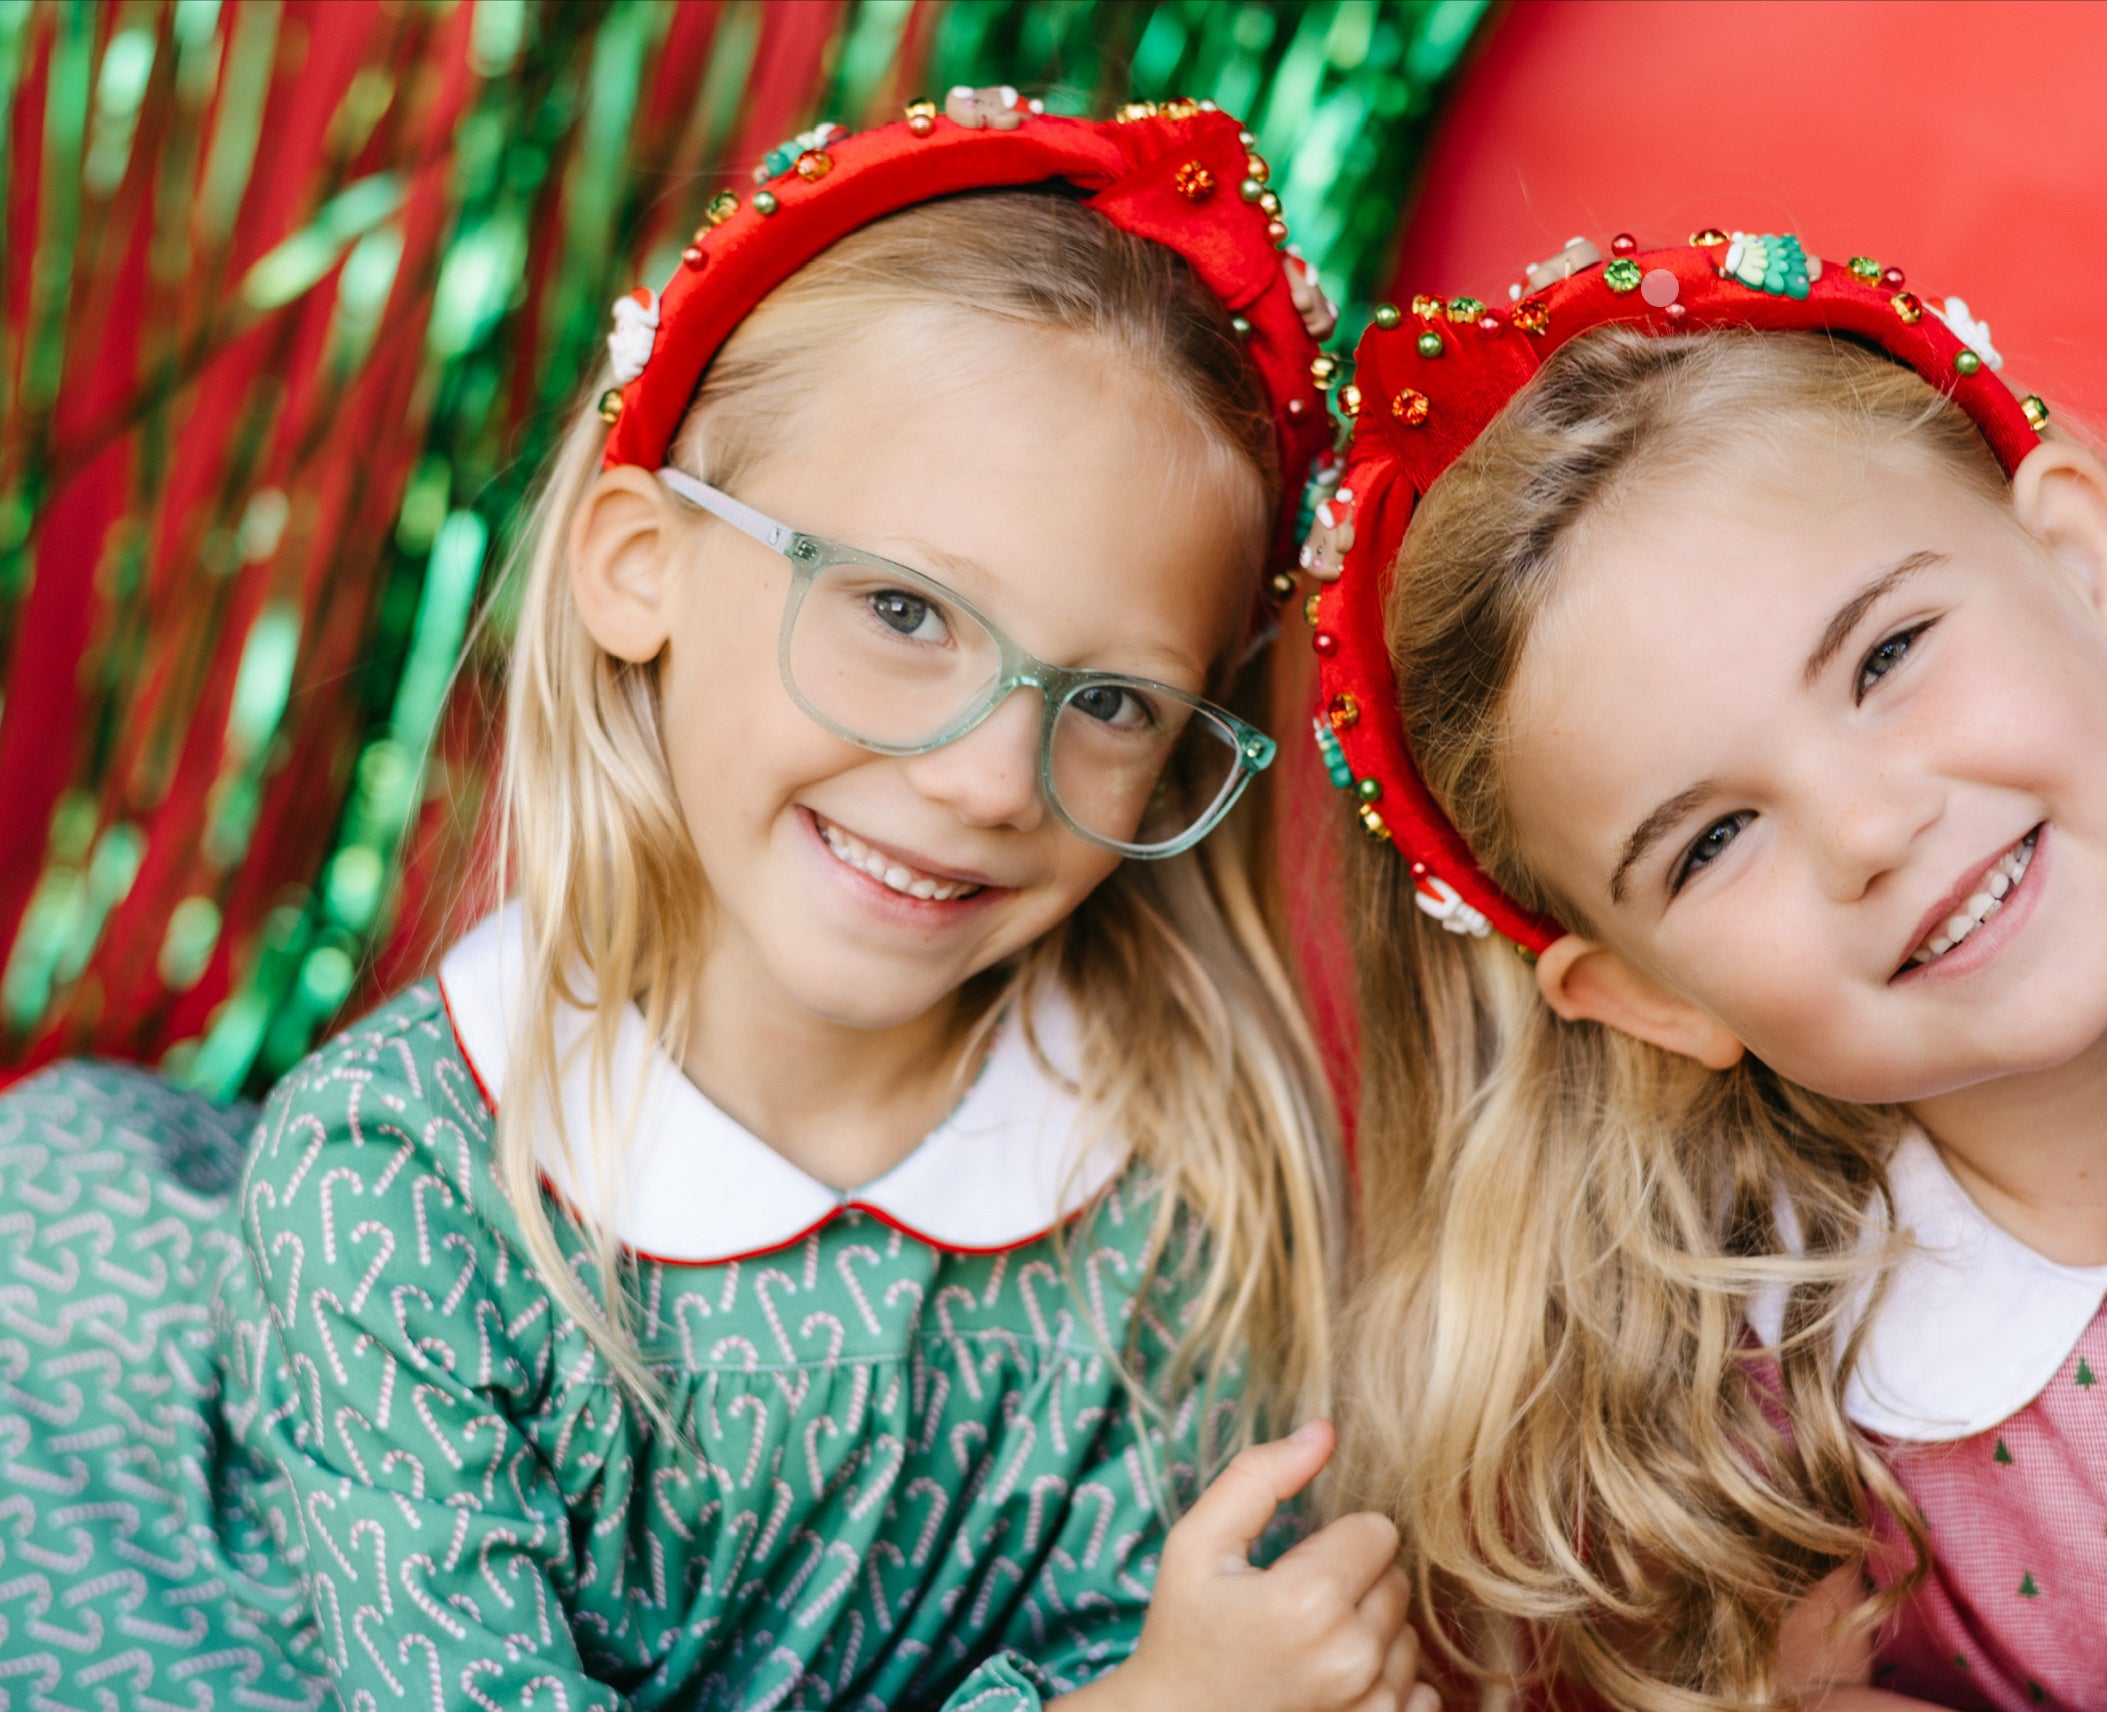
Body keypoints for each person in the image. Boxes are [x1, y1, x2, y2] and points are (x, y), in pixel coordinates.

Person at [0, 96, 1436, 1712]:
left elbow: (1143, 1629)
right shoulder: (386, 1198)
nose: (985, 778)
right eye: (903, 610)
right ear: (640, 568)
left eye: (1107, 702)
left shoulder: (1172, 1198)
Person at [1303, 231, 2107, 1709]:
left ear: (2083, 562)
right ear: (1652, 1000)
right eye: (1715, 840)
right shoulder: (1751, 1419)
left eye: (1885, 658)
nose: (1871, 830)